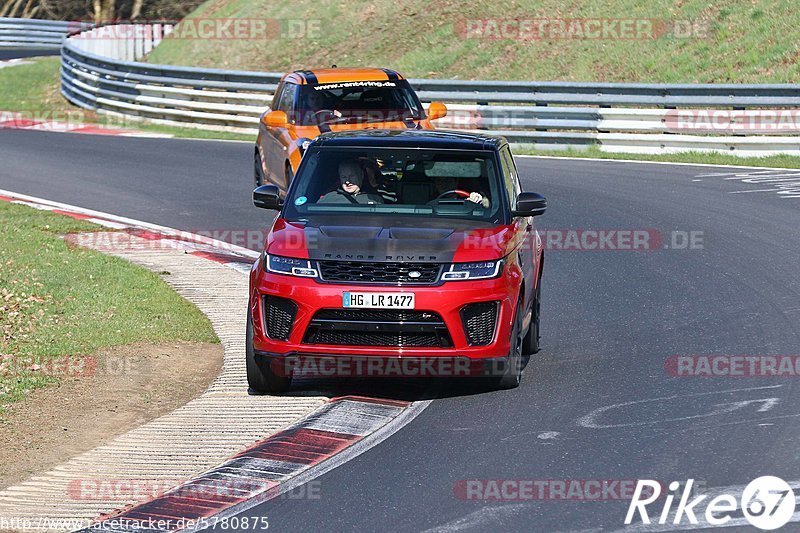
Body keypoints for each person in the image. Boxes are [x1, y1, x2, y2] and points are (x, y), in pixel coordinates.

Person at [319, 160, 385, 204]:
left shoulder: (375, 199)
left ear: (361, 175)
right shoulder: (328, 198)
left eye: (351, 176)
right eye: (344, 177)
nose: (347, 181)